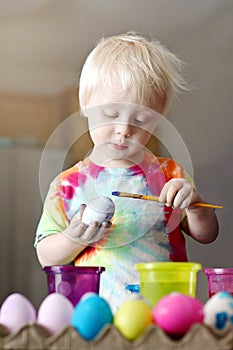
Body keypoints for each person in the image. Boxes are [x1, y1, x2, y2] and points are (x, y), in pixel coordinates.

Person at [35, 32, 219, 311]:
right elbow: (46, 256)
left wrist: (195, 206)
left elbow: (207, 234)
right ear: (85, 105)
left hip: (164, 315)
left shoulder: (170, 175)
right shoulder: (67, 186)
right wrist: (73, 239)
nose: (124, 129)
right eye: (111, 115)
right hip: (99, 318)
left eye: (141, 119)